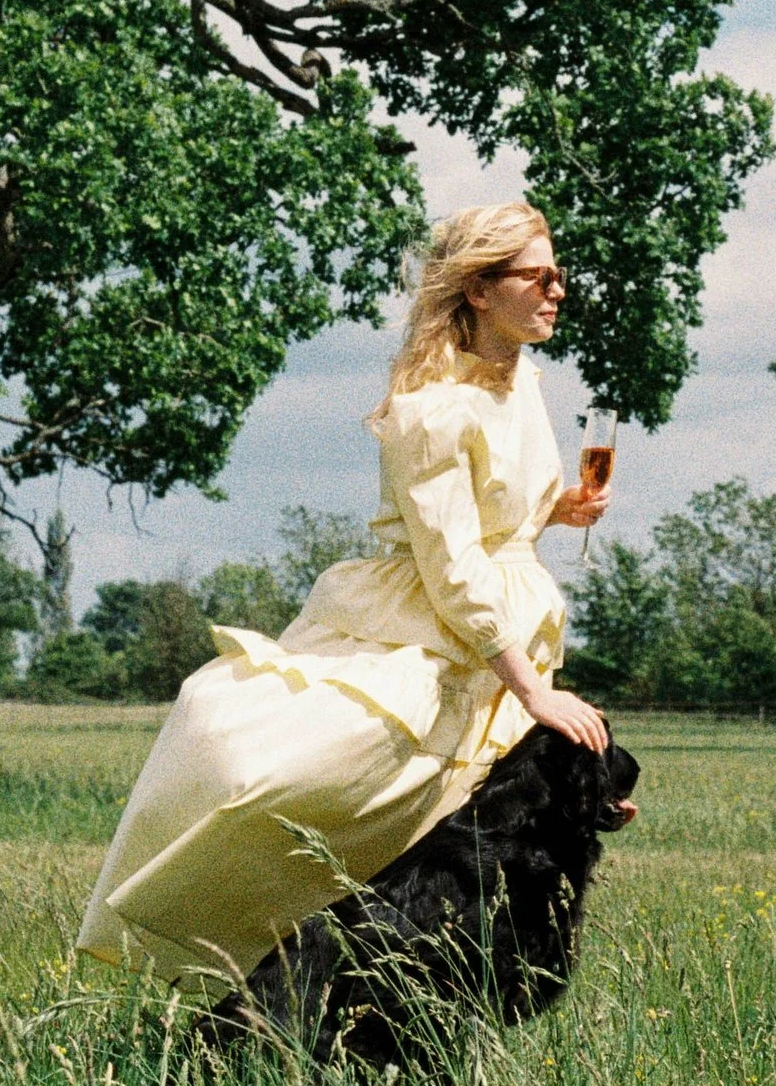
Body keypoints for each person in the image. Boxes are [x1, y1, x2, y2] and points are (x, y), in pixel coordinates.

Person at [75, 205, 612, 995]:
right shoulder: (430, 409)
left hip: (508, 626)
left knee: (472, 844)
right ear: (478, 289)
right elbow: (453, 567)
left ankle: (418, 1002)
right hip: (439, 626)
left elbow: (497, 519)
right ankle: (246, 957)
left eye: (558, 272)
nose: (558, 288)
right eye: (539, 275)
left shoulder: (523, 379)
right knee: (288, 773)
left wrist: (555, 509)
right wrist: (532, 690)